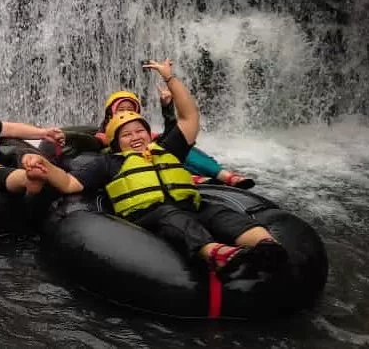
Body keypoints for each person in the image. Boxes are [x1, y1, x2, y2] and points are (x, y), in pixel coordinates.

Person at [20, 60, 287, 279]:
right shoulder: (108, 162)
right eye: (127, 135)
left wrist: (171, 78)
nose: (135, 137)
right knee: (172, 216)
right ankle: (215, 254)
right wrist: (45, 166)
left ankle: (267, 247)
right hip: (150, 213)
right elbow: (69, 184)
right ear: (115, 142)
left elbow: (189, 117)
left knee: (218, 211)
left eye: (140, 131)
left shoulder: (168, 150)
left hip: (189, 203)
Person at [96, 88, 255, 189]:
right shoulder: (105, 134)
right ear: (111, 112)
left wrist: (167, 107)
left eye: (130, 109)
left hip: (160, 159)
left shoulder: (143, 132)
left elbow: (172, 135)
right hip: (137, 168)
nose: (125, 113)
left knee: (185, 150)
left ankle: (225, 176)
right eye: (120, 109)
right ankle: (191, 177)